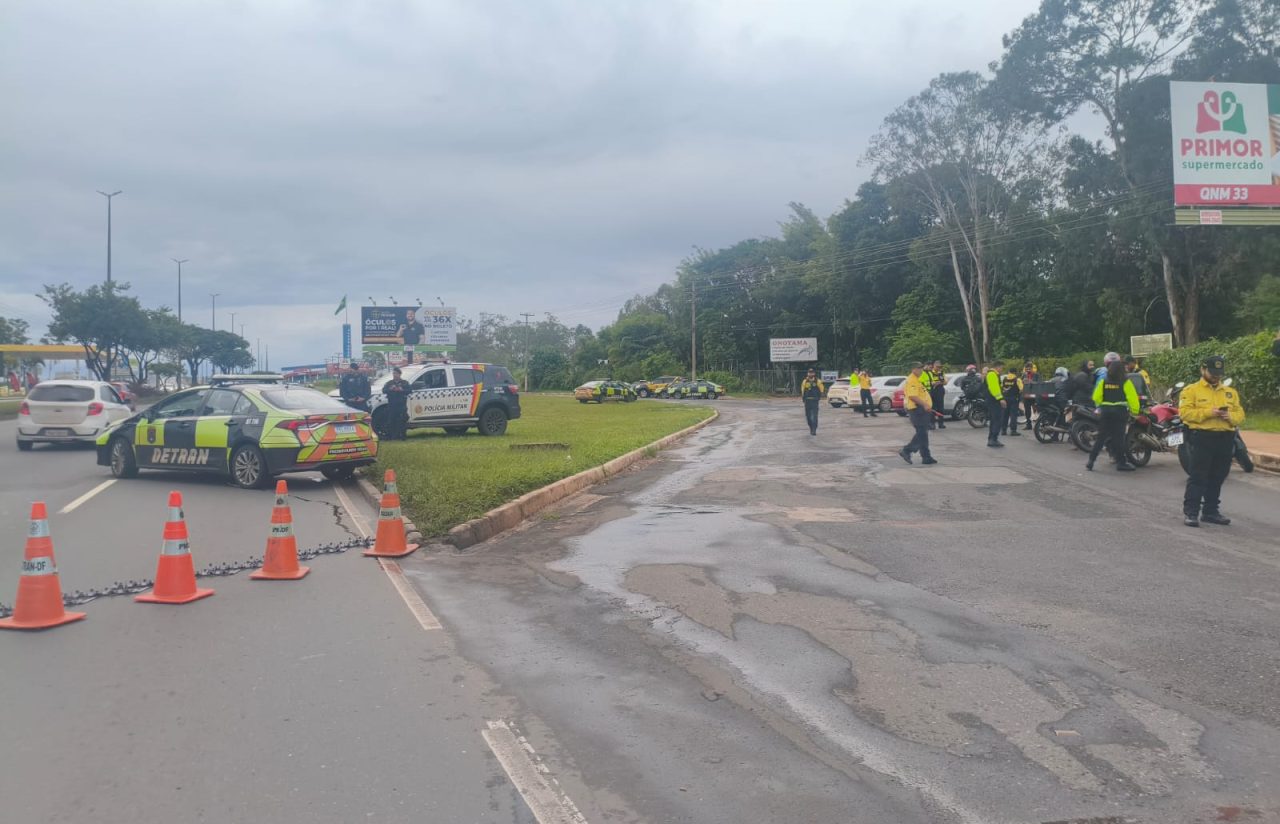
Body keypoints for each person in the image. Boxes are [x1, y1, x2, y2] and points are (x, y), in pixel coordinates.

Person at [1179, 355, 1245, 527]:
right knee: (1198, 476)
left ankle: (1210, 511)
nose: (1216, 376)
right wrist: (1209, 412)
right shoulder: (1191, 390)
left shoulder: (1230, 392)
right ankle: (1191, 512)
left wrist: (1229, 416)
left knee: (1218, 476)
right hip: (1203, 437)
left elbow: (1240, 414)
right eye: (1212, 373)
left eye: (1219, 373)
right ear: (1203, 369)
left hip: (1225, 438)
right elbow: (1185, 413)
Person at [1086, 359, 1139, 471]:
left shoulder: (1104, 381)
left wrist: (1101, 406)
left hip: (1105, 411)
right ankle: (1121, 463)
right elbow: (1132, 398)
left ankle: (1091, 461)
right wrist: (1135, 411)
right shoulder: (1125, 381)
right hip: (1120, 411)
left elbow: (1096, 397)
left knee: (1101, 437)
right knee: (1119, 438)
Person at [898, 362, 937, 465]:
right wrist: (925, 404)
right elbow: (913, 396)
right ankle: (907, 450)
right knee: (922, 433)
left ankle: (926, 457)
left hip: (920, 409)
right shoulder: (912, 380)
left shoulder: (916, 379)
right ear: (913, 369)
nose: (921, 370)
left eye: (922, 368)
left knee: (923, 433)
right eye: (919, 368)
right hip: (917, 409)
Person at [382, 367, 412, 440]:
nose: (394, 375)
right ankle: (392, 436)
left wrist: (401, 390)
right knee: (391, 421)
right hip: (392, 405)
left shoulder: (404, 382)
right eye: (393, 373)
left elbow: (410, 390)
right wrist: (390, 389)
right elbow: (384, 390)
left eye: (396, 373)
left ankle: (403, 436)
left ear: (399, 374)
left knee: (402, 420)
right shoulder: (390, 383)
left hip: (401, 405)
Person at [985, 363, 1006, 448]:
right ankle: (993, 439)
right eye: (1001, 368)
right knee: (997, 420)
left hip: (992, 400)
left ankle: (992, 439)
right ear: (997, 367)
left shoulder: (992, 374)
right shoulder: (992, 374)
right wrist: (1000, 398)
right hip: (994, 401)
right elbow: (994, 388)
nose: (1002, 370)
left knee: (994, 420)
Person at [800, 368, 825, 436]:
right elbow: (802, 390)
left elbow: (822, 389)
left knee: (814, 416)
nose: (810, 374)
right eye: (809, 372)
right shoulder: (805, 381)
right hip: (807, 401)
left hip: (814, 401)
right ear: (807, 373)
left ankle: (814, 430)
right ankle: (811, 428)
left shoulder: (818, 381)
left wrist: (819, 397)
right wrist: (803, 398)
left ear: (814, 373)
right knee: (808, 417)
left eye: (812, 372)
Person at [1001, 367, 1023, 436]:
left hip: (1005, 398)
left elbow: (1001, 387)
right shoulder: (1017, 379)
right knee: (1013, 415)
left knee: (1005, 414)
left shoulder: (1004, 379)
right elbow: (1021, 389)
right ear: (1015, 372)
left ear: (1009, 372)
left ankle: (1003, 430)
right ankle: (1013, 431)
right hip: (1014, 399)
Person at [928, 360, 947, 429]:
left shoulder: (941, 372)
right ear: (934, 366)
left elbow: (945, 382)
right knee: (932, 408)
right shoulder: (930, 372)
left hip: (940, 391)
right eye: (937, 366)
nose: (938, 368)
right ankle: (932, 424)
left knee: (941, 408)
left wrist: (938, 383)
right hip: (933, 391)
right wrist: (938, 382)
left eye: (940, 366)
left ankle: (941, 424)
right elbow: (931, 382)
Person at [1020, 361, 1038, 430]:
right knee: (1027, 411)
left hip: (1034, 395)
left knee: (1037, 409)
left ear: (1032, 368)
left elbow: (1039, 383)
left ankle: (1039, 424)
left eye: (1029, 369)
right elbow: (1020, 383)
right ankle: (1028, 424)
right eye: (1026, 369)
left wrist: (1031, 381)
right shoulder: (1024, 375)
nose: (1028, 370)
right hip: (1026, 395)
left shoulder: (1036, 375)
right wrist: (1022, 382)